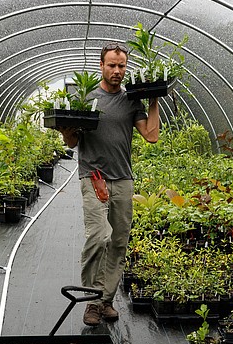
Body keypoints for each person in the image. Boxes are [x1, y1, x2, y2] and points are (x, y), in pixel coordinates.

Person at [59, 42, 160, 326]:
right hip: (94, 177)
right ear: (101, 66)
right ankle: (91, 301)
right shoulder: (86, 98)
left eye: (121, 66)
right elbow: (73, 142)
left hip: (123, 179)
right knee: (99, 236)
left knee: (118, 242)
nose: (117, 70)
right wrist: (67, 131)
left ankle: (106, 301)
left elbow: (151, 136)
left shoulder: (131, 101)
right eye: (112, 65)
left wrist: (154, 99)